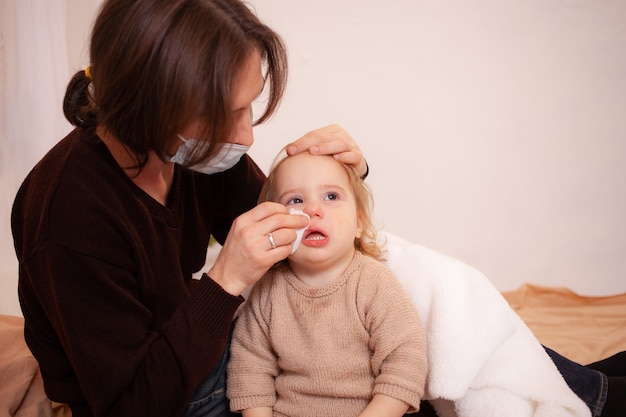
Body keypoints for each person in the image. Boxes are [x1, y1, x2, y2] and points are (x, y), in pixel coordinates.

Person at [11, 1, 367, 417]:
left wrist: (345, 177)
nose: (247, 137)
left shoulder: (192, 155)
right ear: (151, 108)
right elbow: (133, 403)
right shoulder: (69, 219)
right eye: (226, 115)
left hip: (197, 347)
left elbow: (288, 229)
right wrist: (227, 278)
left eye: (248, 106)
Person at [226, 150, 428, 417]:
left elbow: (405, 359)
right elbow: (249, 367)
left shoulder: (374, 283)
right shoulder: (268, 292)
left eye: (331, 197)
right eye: (295, 200)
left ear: (359, 222)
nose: (313, 210)